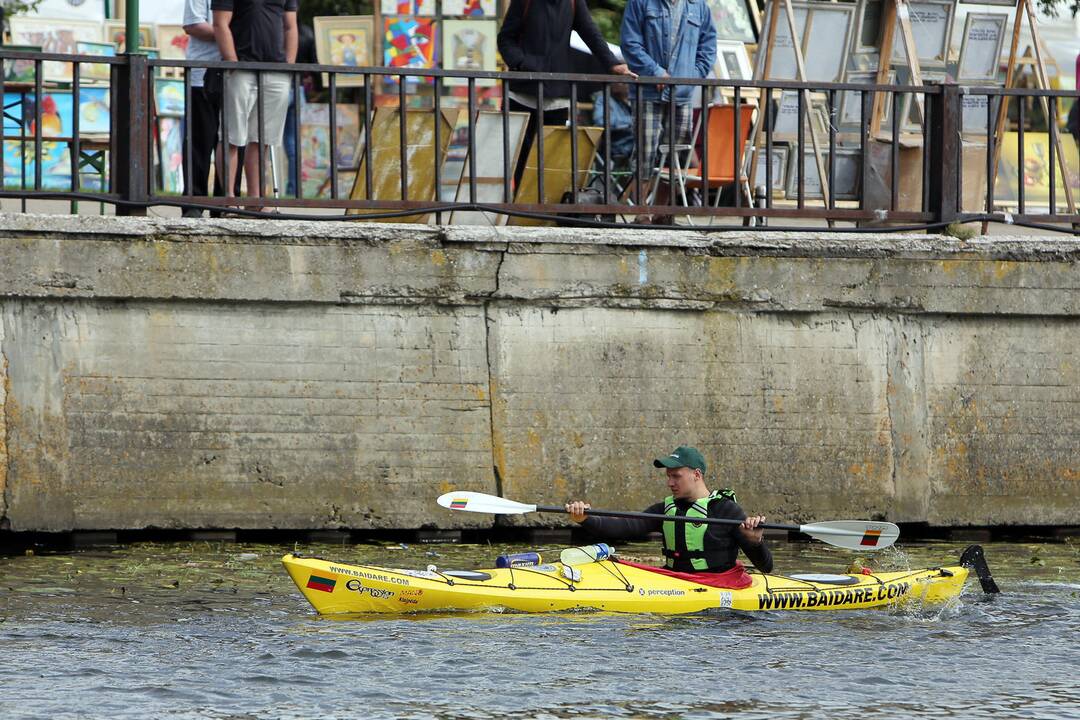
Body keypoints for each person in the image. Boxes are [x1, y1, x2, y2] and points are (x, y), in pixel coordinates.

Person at [565, 445, 772, 577]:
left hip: (719, 588)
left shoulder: (727, 511)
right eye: (668, 476)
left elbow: (766, 567)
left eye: (676, 476)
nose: (670, 483)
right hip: (674, 582)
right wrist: (585, 518)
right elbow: (624, 526)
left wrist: (755, 542)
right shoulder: (666, 509)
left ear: (696, 474)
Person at [497, 0, 636, 188]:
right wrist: (522, 63)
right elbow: (505, 39)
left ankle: (546, 211)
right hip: (523, 92)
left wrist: (613, 64)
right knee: (522, 156)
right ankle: (524, 211)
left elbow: (590, 32)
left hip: (557, 95)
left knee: (552, 158)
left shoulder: (573, 2)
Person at [619, 0, 716, 221]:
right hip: (647, 91)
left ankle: (662, 212)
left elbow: (708, 45)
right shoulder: (640, 2)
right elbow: (630, 43)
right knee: (645, 152)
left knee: (677, 155)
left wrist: (691, 76)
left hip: (681, 94)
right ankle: (641, 213)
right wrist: (655, 72)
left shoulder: (698, 6)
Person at [212, 0, 298, 204]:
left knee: (262, 140)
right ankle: (229, 200)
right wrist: (233, 62)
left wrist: (289, 65)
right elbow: (220, 23)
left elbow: (290, 25)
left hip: (276, 69)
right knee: (232, 136)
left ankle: (256, 200)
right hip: (242, 67)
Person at [183, 0, 232, 217]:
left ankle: (225, 203)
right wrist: (226, 34)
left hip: (236, 73)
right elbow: (193, 24)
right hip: (202, 74)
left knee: (234, 139)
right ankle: (194, 201)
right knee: (199, 141)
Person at [591, 82, 635, 165]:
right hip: (615, 144)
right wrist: (631, 121)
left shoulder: (634, 100)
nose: (617, 83)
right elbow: (600, 121)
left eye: (623, 82)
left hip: (633, 141)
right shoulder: (604, 99)